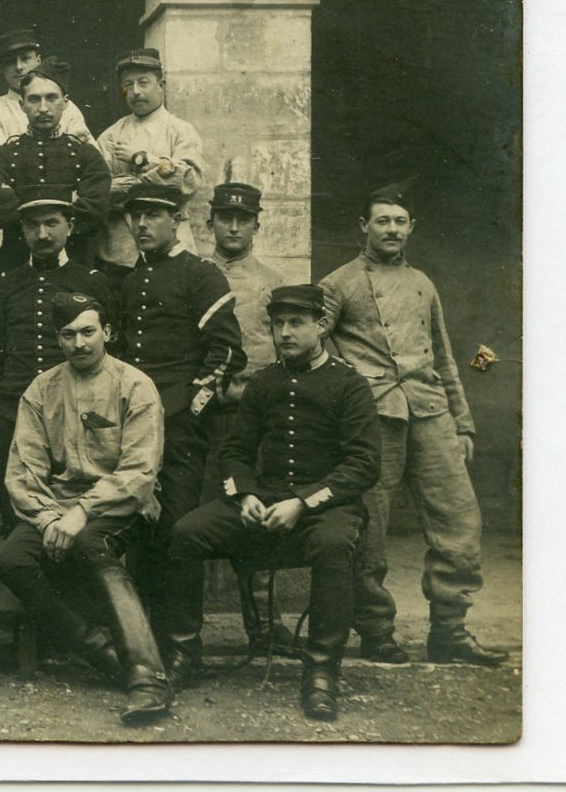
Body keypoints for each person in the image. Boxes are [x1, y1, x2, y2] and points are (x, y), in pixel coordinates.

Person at [171, 285, 381, 720]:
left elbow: (363, 464)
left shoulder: (349, 383)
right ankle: (183, 654)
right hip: (264, 498)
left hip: (326, 505)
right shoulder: (265, 382)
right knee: (186, 532)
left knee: (333, 545)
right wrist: (243, 493)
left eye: (296, 323)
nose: (284, 333)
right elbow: (235, 451)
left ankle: (322, 673)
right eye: (278, 324)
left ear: (320, 325)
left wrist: (304, 503)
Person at [320, 181, 508, 666]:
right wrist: (353, 386)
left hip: (431, 413)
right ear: (364, 226)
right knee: (369, 528)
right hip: (374, 418)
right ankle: (376, 631)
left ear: (411, 228)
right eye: (382, 220)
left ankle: (450, 631)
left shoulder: (424, 284)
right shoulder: (338, 283)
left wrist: (462, 424)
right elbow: (311, 345)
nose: (391, 229)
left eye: (400, 221)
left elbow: (444, 358)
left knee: (460, 522)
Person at [0, 291, 172, 725]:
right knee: (13, 559)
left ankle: (148, 678)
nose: (79, 343)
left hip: (123, 505)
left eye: (88, 332)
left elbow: (139, 472)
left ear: (107, 332)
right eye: (68, 334)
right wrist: (50, 517)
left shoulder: (135, 385)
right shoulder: (41, 389)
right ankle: (105, 654)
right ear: (58, 339)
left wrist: (81, 513)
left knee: (91, 543)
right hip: (55, 508)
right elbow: (22, 472)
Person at [116, 182, 245, 689]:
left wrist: (190, 408)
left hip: (182, 429)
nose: (143, 225)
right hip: (133, 429)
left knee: (178, 532)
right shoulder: (127, 282)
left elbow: (228, 353)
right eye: (136, 216)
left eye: (154, 215)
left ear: (177, 220)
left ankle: (184, 647)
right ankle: (144, 646)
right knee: (140, 534)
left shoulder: (201, 274)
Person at [0, 184, 115, 529]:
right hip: (14, 413)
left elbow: (110, 354)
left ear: (70, 226)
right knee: (18, 521)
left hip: (74, 412)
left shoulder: (91, 281)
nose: (42, 234)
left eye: (52, 223)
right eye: (32, 225)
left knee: (72, 519)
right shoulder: (5, 283)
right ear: (21, 231)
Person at [202, 181, 295, 654]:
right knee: (195, 513)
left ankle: (262, 624)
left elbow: (284, 350)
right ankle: (184, 627)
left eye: (243, 219)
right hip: (199, 418)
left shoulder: (272, 283)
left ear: (258, 224)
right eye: (224, 217)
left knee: (255, 509)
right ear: (209, 221)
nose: (233, 226)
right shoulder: (194, 274)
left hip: (252, 418)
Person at [0, 58, 110, 272]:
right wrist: (70, 199)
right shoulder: (2, 156)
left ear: (66, 102)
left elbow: (96, 211)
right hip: (16, 264)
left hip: (75, 263)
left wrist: (19, 198)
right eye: (34, 99)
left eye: (51, 98)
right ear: (22, 104)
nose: (43, 108)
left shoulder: (86, 155)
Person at [95, 48, 204, 280]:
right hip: (120, 251)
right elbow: (99, 190)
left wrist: (142, 160)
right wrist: (158, 180)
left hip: (171, 249)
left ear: (161, 85)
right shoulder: (111, 136)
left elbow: (187, 183)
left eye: (143, 83)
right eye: (128, 85)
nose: (135, 92)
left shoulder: (181, 131)